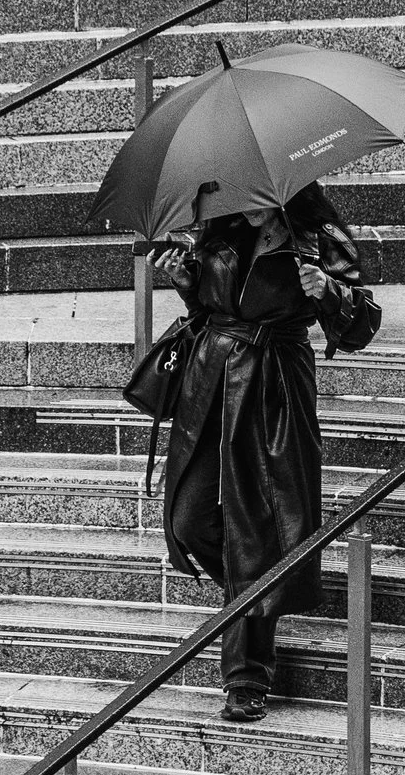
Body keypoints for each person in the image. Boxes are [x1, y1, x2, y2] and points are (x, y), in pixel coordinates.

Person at [151, 183, 382, 722]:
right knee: (188, 521)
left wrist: (327, 289)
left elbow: (362, 327)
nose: (242, 199)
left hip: (276, 382)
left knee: (254, 530)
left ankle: (247, 674)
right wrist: (187, 283)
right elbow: (211, 306)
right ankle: (255, 589)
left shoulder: (317, 239)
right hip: (211, 378)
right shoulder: (221, 230)